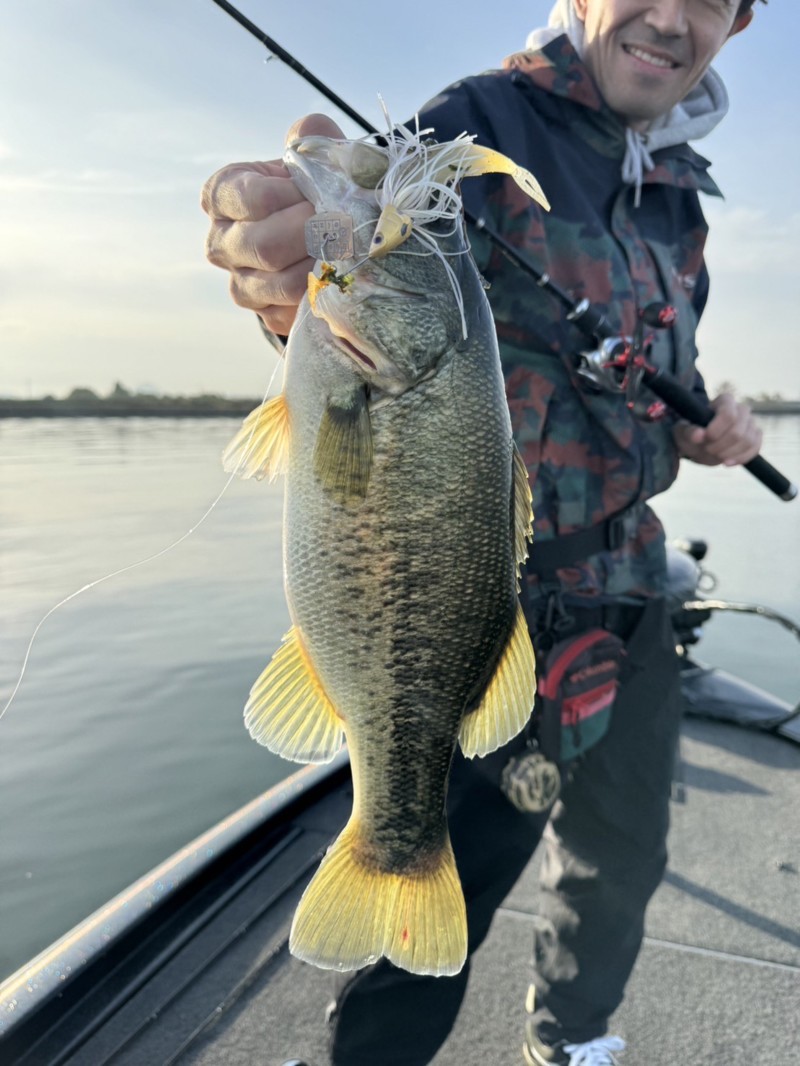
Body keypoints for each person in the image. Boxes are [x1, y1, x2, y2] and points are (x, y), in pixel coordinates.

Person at [202, 1, 764, 1063]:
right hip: (484, 593)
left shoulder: (682, 195)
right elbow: (367, 271)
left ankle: (572, 1040)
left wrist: (701, 425)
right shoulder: (470, 130)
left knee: (621, 852)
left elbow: (647, 374)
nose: (669, 15)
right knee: (445, 852)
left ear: (733, 27)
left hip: (633, 580)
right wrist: (290, 278)